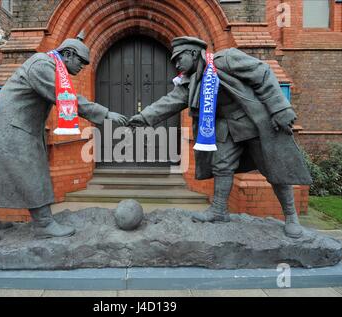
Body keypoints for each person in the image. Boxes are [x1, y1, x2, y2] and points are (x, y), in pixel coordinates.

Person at [128, 37, 312, 239]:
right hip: (225, 128)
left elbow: (263, 73)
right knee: (221, 165)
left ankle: (291, 217)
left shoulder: (225, 60)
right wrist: (142, 118)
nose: (177, 64)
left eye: (179, 58)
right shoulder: (190, 82)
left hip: (253, 121)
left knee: (275, 168)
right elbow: (168, 103)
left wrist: (280, 108)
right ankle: (219, 210)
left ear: (192, 53)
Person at [0, 33, 127, 238]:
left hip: (7, 122)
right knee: (31, 168)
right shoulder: (42, 65)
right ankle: (43, 224)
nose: (83, 67)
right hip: (12, 123)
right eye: (81, 61)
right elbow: (66, 98)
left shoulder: (50, 65)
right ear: (67, 54)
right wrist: (105, 114)